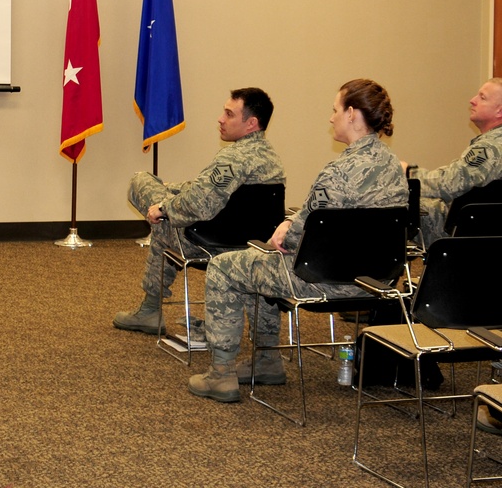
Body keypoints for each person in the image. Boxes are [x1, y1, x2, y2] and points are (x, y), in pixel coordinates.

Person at [188, 78, 408, 403]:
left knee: (225, 268)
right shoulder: (394, 166)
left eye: (335, 110)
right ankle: (266, 363)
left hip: (324, 279)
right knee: (260, 264)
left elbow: (296, 237)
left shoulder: (339, 171)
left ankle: (222, 374)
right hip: (375, 281)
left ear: (351, 114)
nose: (331, 118)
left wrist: (286, 227)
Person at [115, 88, 285, 340]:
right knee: (167, 211)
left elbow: (198, 205)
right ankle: (150, 309)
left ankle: (150, 309)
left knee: (146, 190)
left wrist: (163, 208)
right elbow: (207, 190)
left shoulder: (233, 158)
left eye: (229, 114)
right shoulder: (273, 160)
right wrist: (172, 194)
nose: (220, 118)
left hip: (210, 243)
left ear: (251, 123)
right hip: (252, 245)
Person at [402, 78, 502, 245]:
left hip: (467, 229)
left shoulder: (491, 148)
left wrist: (408, 174)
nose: (472, 100)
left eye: (482, 97)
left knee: (390, 207)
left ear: (499, 111)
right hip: (482, 224)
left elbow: (450, 184)